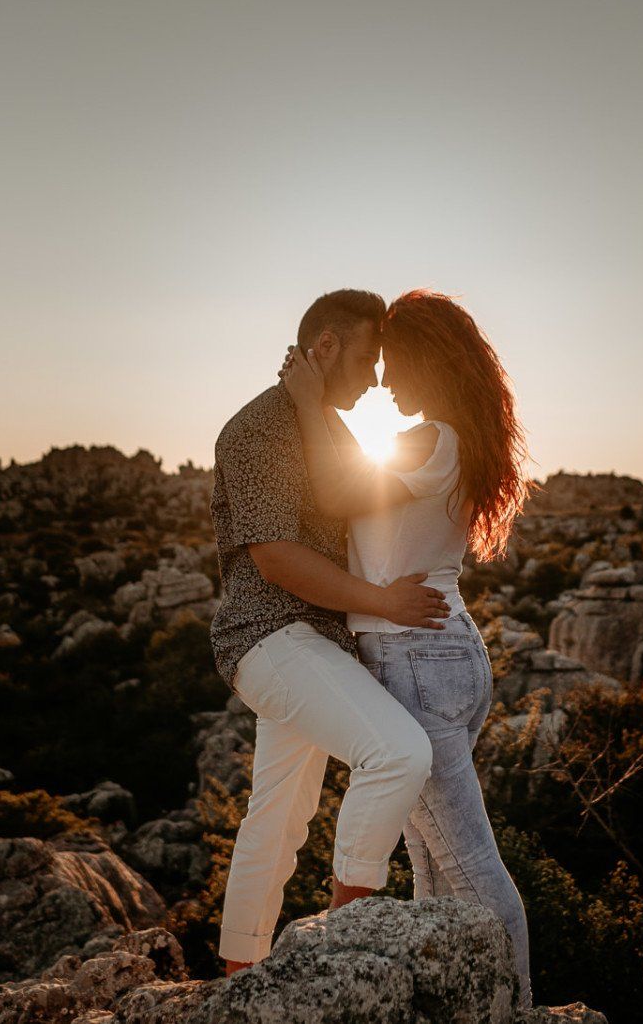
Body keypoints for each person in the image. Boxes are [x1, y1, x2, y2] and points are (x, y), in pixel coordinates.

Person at [279, 288, 535, 1002]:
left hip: (414, 659)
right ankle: (461, 1005)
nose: (385, 380)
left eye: (394, 362)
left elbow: (334, 492)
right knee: (431, 864)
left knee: (474, 870)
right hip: (443, 651)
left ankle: (517, 1010)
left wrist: (308, 403)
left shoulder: (431, 440)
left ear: (429, 360)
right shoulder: (453, 441)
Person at [208, 288, 454, 973]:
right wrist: (382, 601)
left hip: (314, 643)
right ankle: (348, 947)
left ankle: (239, 976)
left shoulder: (326, 424)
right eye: (369, 358)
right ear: (324, 348)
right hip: (270, 636)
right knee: (398, 754)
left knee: (281, 816)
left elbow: (353, 499)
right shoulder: (257, 428)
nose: (377, 378)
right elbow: (275, 557)